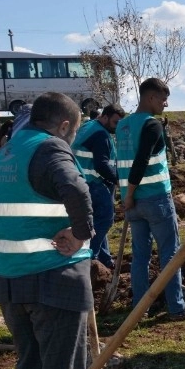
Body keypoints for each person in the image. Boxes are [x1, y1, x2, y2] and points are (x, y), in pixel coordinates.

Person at [0, 92, 93, 369]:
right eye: (74, 131)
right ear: (63, 126)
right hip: (52, 275)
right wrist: (81, 233)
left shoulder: (7, 152)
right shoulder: (50, 148)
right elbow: (75, 187)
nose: (72, 138)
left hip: (10, 278)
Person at [116, 78, 185, 320]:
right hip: (154, 199)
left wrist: (127, 197)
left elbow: (122, 163)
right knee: (170, 253)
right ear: (150, 98)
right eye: (163, 98)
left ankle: (139, 307)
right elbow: (140, 162)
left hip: (132, 203)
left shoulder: (123, 126)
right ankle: (176, 306)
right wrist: (132, 193)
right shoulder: (151, 125)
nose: (166, 103)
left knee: (140, 255)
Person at [71, 104, 124, 267]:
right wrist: (118, 180)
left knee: (98, 222)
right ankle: (90, 257)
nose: (117, 127)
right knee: (105, 219)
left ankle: (104, 259)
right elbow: (101, 165)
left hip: (81, 181)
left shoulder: (89, 126)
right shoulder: (101, 134)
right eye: (115, 123)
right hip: (94, 182)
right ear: (105, 117)